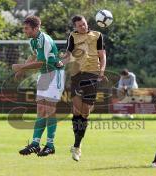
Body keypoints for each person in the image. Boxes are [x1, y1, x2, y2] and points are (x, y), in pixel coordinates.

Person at [12, 15, 65, 157]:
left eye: (27, 28)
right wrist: (22, 70)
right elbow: (34, 56)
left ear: (36, 28)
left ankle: (50, 145)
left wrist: (21, 66)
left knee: (49, 110)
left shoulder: (43, 39)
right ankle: (35, 144)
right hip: (44, 75)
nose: (25, 30)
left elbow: (41, 62)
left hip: (55, 74)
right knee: (40, 109)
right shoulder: (33, 40)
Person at [60, 15, 106, 161]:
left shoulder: (97, 35)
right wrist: (61, 62)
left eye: (84, 24)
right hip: (77, 75)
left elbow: (102, 55)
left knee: (85, 113)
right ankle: (76, 146)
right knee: (76, 110)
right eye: (80, 25)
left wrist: (102, 71)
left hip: (92, 75)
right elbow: (68, 56)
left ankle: (77, 145)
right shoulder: (72, 37)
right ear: (75, 27)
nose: (83, 27)